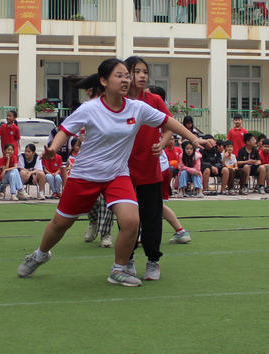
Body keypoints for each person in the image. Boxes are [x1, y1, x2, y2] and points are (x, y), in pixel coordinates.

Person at [17, 58, 212, 286]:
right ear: (104, 81)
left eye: (127, 76)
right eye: (120, 75)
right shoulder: (90, 108)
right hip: (85, 175)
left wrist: (195, 138)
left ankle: (118, 269)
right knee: (60, 224)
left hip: (117, 175)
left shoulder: (137, 108)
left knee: (131, 221)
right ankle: (40, 254)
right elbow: (65, 131)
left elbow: (168, 121)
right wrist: (51, 150)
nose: (126, 80)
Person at [123, 55, 176, 279]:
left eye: (145, 72)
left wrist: (162, 143)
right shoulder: (119, 100)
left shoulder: (154, 100)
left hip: (150, 169)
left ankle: (153, 261)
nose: (142, 76)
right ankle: (127, 259)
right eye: (137, 71)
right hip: (123, 170)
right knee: (127, 219)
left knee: (152, 217)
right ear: (126, 75)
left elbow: (169, 126)